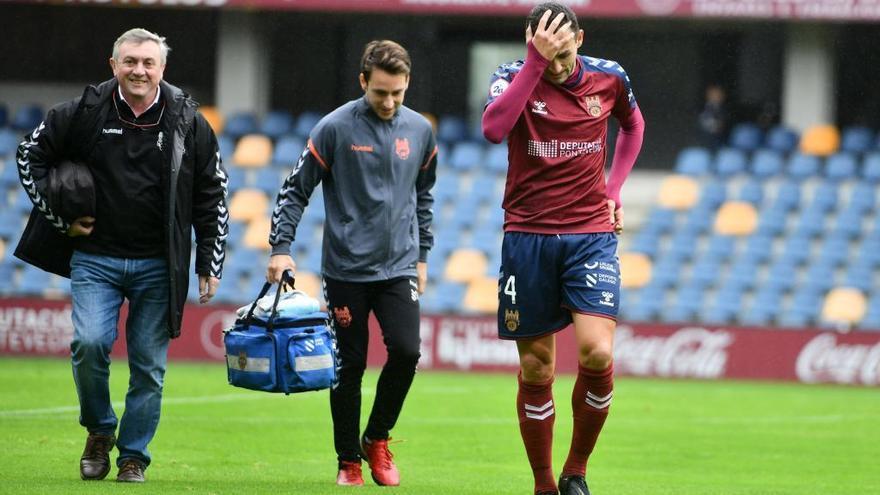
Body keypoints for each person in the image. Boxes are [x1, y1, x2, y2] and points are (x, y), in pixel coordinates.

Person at [14, 28, 228, 483]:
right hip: (95, 258)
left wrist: (211, 259)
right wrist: (59, 218)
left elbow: (212, 190)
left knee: (148, 367)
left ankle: (133, 456)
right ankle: (99, 431)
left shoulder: (188, 118)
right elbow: (28, 155)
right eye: (130, 61)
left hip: (159, 264)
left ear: (162, 69)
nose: (139, 70)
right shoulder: (83, 111)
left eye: (148, 63)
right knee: (89, 344)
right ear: (113, 65)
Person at [482, 3, 645, 494]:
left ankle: (577, 471)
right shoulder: (511, 75)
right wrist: (535, 62)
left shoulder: (609, 77)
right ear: (529, 43)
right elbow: (493, 130)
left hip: (589, 235)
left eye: (563, 53)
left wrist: (614, 189)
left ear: (580, 38)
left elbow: (634, 127)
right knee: (537, 367)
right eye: (544, 53)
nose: (556, 65)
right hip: (527, 236)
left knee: (596, 354)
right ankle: (544, 484)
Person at [265, 40, 437, 487]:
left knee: (407, 351)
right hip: (345, 270)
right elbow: (295, 190)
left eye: (397, 92)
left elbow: (424, 196)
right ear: (363, 82)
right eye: (380, 92)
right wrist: (280, 247)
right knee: (350, 366)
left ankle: (376, 439)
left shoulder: (420, 131)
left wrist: (422, 255)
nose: (389, 101)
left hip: (399, 266)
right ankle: (348, 461)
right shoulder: (334, 128)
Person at [697, 84, 728, 149]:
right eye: (713, 95)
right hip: (705, 141)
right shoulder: (701, 109)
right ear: (708, 95)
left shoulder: (726, 110)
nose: (716, 97)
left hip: (722, 141)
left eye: (718, 95)